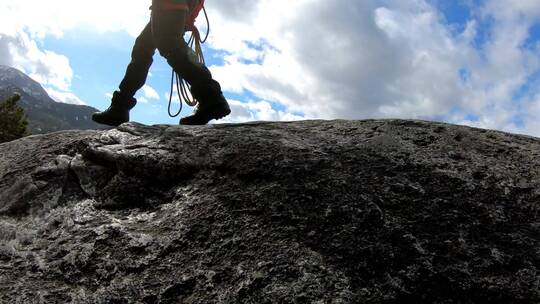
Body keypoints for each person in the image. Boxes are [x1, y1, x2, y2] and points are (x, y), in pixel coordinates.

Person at [92, 0, 230, 126]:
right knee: (144, 47)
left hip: (170, 4)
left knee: (168, 44)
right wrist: (189, 17)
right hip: (170, 5)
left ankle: (211, 97)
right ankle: (120, 106)